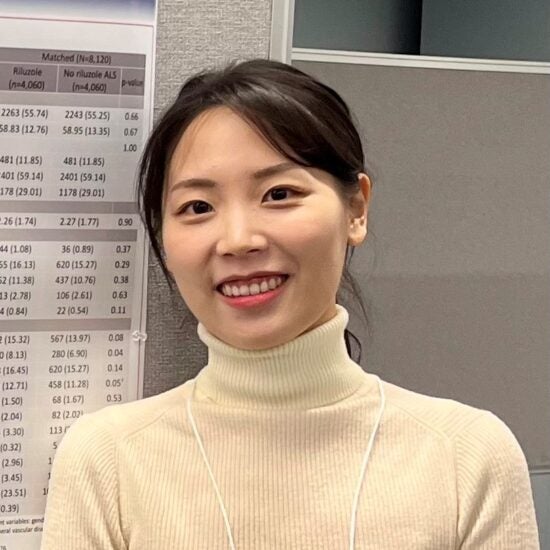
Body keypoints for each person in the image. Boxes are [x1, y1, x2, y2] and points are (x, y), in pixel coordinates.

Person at [41, 59, 540, 549]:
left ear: (356, 209)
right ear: (164, 240)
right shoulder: (108, 461)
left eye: (279, 193)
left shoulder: (466, 456)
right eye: (197, 207)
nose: (237, 240)